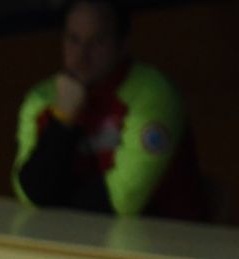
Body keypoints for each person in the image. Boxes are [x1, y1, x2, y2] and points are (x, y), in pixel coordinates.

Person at [12, 0, 206, 220]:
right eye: (73, 40)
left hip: (168, 235)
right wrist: (63, 120)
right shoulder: (41, 99)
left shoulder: (152, 94)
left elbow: (123, 202)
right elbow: (29, 193)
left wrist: (55, 199)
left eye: (97, 42)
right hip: (76, 235)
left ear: (122, 45)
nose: (82, 56)